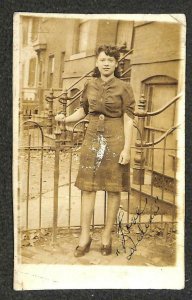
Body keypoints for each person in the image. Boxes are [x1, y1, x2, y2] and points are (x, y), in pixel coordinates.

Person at [55, 45, 135, 257]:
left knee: (113, 188)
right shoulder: (89, 84)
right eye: (102, 59)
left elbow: (128, 120)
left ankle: (107, 236)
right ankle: (85, 237)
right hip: (91, 138)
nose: (106, 63)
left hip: (115, 139)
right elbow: (83, 110)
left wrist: (127, 148)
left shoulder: (125, 87)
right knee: (87, 188)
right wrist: (65, 120)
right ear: (97, 62)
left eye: (110, 60)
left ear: (116, 64)